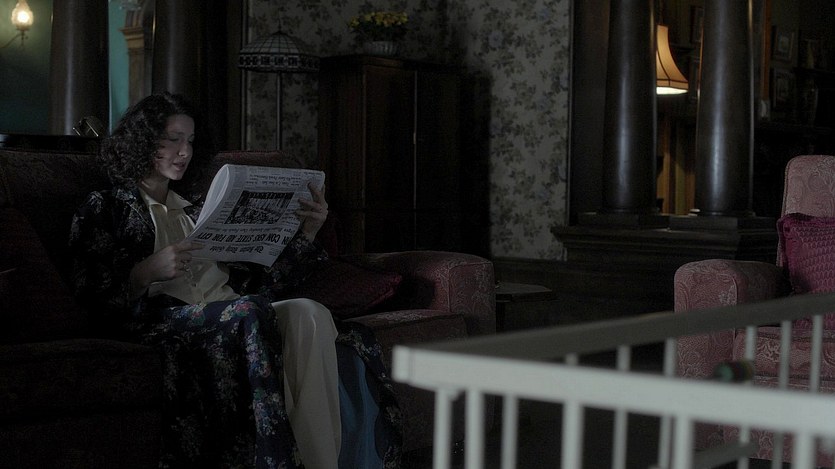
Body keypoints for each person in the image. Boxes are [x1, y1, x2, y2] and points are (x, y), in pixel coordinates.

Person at [69, 92, 400, 468]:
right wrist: (145, 272)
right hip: (174, 318)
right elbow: (89, 296)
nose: (184, 151)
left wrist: (308, 231)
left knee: (310, 312)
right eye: (173, 139)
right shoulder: (105, 206)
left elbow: (264, 284)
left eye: (190, 141)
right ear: (143, 140)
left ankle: (320, 462)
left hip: (237, 307)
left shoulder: (198, 208)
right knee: (249, 312)